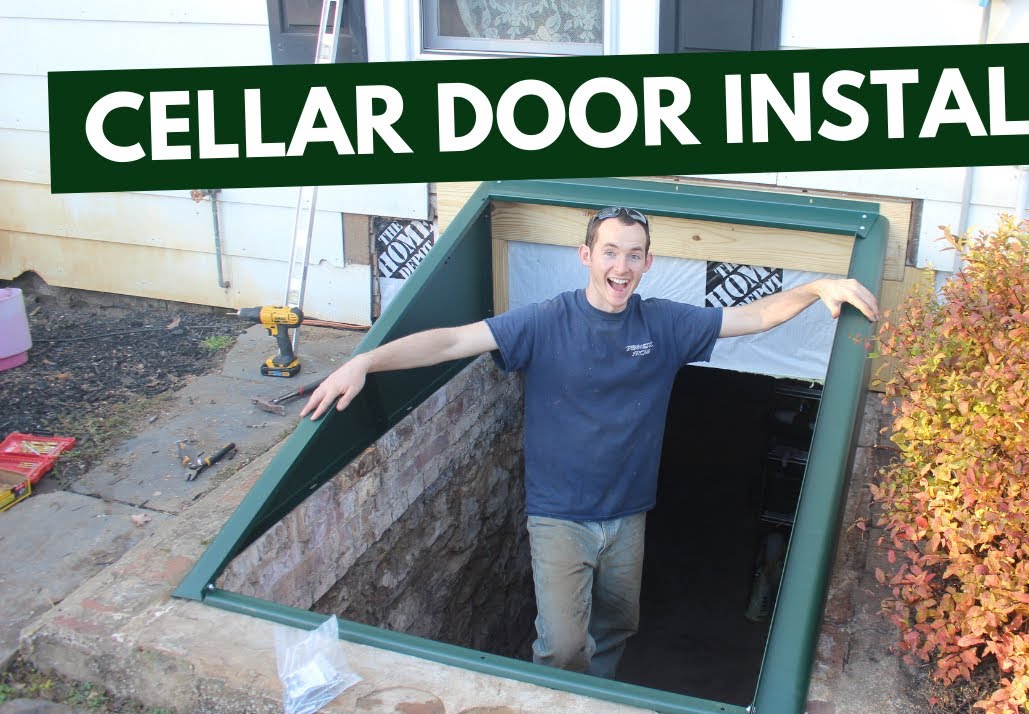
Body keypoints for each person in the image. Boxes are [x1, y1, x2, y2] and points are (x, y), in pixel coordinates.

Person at [300, 205, 879, 678]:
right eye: (610, 251)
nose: (621, 265)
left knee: (616, 629)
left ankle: (592, 704)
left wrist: (815, 288)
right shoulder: (544, 322)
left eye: (633, 254)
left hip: (629, 515)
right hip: (558, 517)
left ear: (648, 263)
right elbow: (451, 341)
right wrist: (366, 362)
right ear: (586, 255)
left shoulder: (664, 324)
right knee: (562, 649)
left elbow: (751, 318)